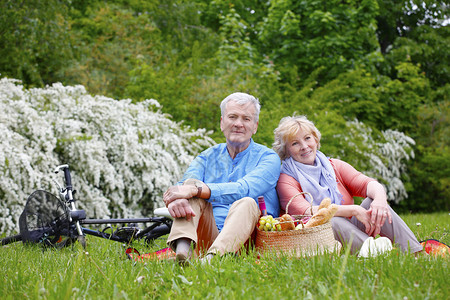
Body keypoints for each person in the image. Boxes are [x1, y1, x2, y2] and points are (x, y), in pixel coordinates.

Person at [273, 115, 423, 256]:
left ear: (316, 140)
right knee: (331, 219)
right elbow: (306, 211)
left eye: (307, 138)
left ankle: (415, 252)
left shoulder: (334, 166)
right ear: (286, 151)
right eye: (295, 143)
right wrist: (354, 210)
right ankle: (378, 254)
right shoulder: (285, 178)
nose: (304, 146)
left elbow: (368, 183)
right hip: (314, 238)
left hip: (349, 230)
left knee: (371, 202)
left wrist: (380, 200)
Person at [163, 92, 281, 264]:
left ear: (255, 126)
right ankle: (183, 254)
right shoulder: (207, 156)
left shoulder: (269, 159)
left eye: (246, 119)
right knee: (190, 185)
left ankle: (212, 261)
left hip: (249, 240)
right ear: (222, 122)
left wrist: (197, 190)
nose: (238, 124)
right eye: (232, 117)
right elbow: (185, 184)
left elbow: (243, 189)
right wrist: (176, 199)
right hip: (207, 235)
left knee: (247, 201)